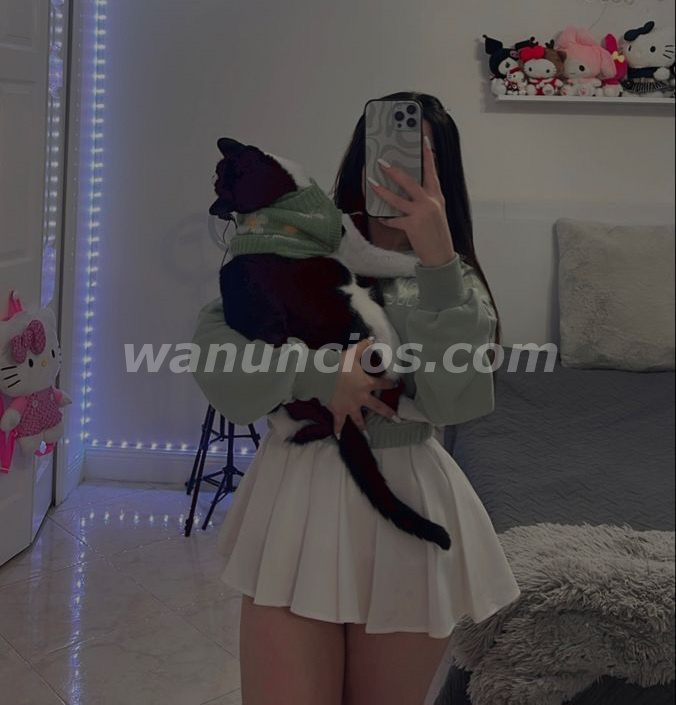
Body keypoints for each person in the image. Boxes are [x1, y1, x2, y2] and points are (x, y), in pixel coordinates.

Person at [192, 91, 520, 705]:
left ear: (443, 177)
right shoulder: (304, 238)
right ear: (359, 160)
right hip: (298, 493)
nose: (395, 171)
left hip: (405, 496)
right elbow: (216, 350)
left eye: (418, 160)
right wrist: (316, 374)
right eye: (382, 152)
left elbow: (454, 401)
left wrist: (437, 259)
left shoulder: (454, 280)